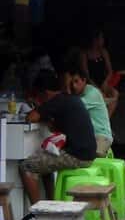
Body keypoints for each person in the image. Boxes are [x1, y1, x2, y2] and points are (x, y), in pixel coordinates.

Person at [20, 70, 96, 205]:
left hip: (77, 156)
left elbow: (31, 117)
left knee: (26, 166)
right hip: (87, 153)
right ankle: (50, 205)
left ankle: (37, 212)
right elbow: (53, 127)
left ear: (44, 93)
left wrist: (38, 105)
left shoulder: (56, 101)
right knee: (44, 164)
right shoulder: (69, 99)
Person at [68, 68, 114, 157]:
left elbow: (72, 107)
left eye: (76, 81)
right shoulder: (78, 95)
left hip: (101, 137)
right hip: (88, 138)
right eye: (71, 83)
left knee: (88, 158)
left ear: (84, 80)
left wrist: (67, 90)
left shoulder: (92, 93)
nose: (73, 86)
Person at [79, 29, 119, 116]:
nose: (103, 40)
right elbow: (86, 75)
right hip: (90, 83)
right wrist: (96, 87)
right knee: (101, 96)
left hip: (103, 82)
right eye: (101, 38)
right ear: (95, 40)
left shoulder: (103, 52)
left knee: (115, 93)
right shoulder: (84, 54)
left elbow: (110, 71)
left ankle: (105, 120)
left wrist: (105, 82)